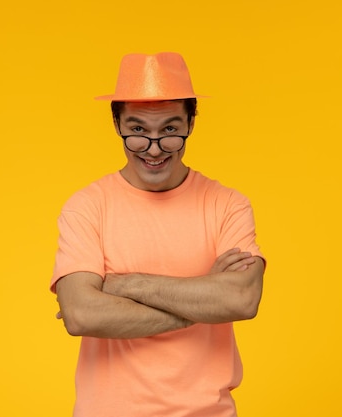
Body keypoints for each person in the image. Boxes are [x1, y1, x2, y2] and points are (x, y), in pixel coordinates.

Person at [50, 52, 266, 417]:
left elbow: (242, 300)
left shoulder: (228, 205)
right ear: (116, 123)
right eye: (137, 131)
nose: (153, 149)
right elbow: (82, 315)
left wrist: (123, 284)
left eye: (169, 130)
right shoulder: (86, 207)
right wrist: (204, 296)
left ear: (191, 123)